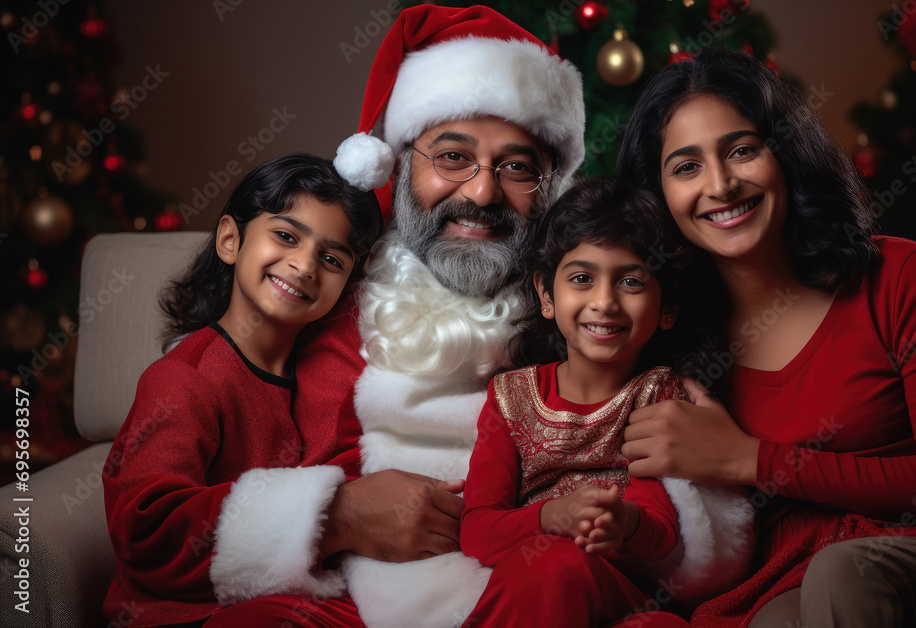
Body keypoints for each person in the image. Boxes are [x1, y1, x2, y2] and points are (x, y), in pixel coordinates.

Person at [196, 5, 590, 627]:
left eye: (516, 167)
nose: (482, 194)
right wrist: (342, 516)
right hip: (363, 593)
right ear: (399, 166)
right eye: (452, 157)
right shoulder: (331, 298)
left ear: (551, 188)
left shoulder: (589, 306)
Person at [616, 47, 916, 627]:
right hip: (778, 580)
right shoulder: (666, 335)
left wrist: (751, 459)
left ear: (786, 154)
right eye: (686, 167)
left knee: (842, 576)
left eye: (742, 150)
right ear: (658, 196)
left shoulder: (901, 275)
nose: (720, 185)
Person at [102, 152, 384, 626]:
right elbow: (147, 530)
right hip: (176, 615)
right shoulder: (184, 378)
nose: (304, 265)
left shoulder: (322, 379)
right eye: (286, 236)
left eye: (331, 258)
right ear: (231, 240)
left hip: (283, 602)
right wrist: (326, 519)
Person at [460, 177, 753, 628]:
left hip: (620, 593)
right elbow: (477, 531)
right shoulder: (511, 397)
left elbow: (663, 528)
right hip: (535, 582)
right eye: (581, 278)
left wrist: (626, 523)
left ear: (667, 306)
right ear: (546, 294)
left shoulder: (660, 395)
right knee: (555, 563)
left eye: (631, 282)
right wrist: (550, 518)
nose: (604, 302)